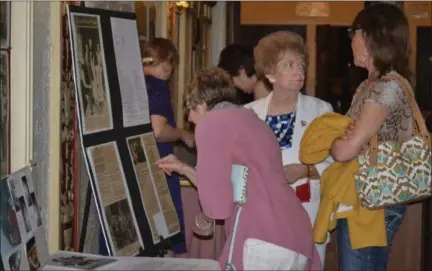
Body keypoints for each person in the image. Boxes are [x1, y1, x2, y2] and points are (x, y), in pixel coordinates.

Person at [156, 67, 321, 270]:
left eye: (190, 111)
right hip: (295, 234)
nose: (189, 119)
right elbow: (236, 185)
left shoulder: (211, 124)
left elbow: (217, 206)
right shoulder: (252, 121)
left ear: (201, 104)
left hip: (261, 237)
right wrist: (183, 168)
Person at [330, 3, 414, 270]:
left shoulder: (386, 87)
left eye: (352, 32)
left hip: (373, 202)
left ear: (368, 36)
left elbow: (345, 150)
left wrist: (334, 142)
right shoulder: (370, 85)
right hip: (368, 197)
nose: (351, 39)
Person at [244, 31, 333, 266]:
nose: (299, 71)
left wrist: (304, 171)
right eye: (289, 64)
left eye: (301, 64)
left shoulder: (321, 111)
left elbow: (335, 164)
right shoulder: (249, 113)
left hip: (307, 210)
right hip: (262, 214)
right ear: (271, 73)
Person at [141, 37, 194, 256]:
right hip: (159, 167)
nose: (170, 70)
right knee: (165, 237)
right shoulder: (158, 87)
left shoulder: (131, 82)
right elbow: (159, 131)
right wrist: (182, 134)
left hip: (138, 166)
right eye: (169, 63)